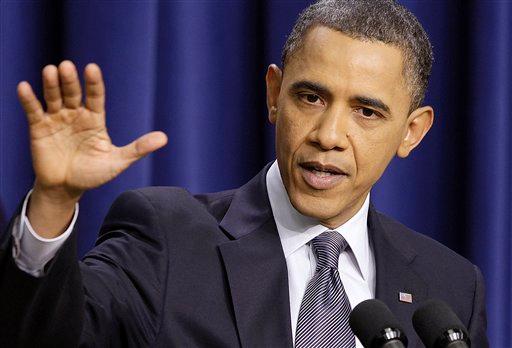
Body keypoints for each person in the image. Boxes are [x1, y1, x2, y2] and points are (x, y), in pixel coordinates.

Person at [0, 0, 488, 347]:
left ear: (412, 132)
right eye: (310, 97)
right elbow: (45, 336)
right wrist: (54, 202)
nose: (329, 134)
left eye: (366, 112)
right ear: (274, 94)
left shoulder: (450, 287)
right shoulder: (166, 237)